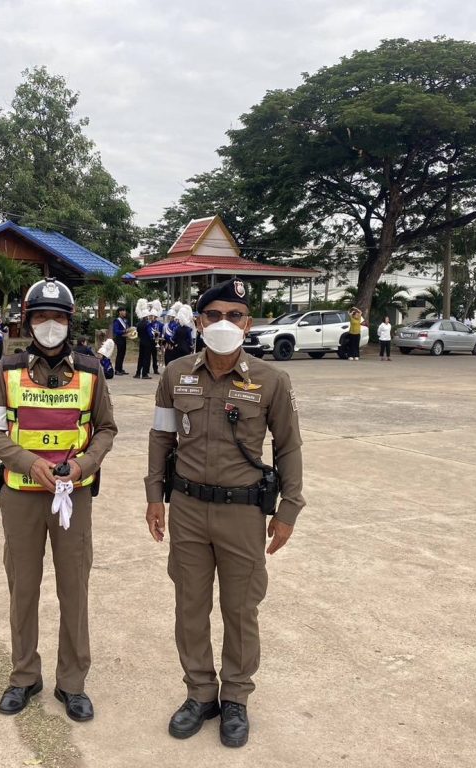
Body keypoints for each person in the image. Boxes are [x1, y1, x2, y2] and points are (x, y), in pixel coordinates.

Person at [144, 277, 304, 749]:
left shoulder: (271, 380)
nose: (224, 323)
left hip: (243, 512)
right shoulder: (175, 374)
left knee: (240, 609)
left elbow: (288, 447)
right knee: (190, 606)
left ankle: (235, 696)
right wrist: (154, 496)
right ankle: (199, 693)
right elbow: (161, 436)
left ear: (248, 324)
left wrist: (289, 508)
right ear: (199, 322)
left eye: (234, 316)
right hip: (188, 509)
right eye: (214, 315)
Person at [0, 277, 117, 723]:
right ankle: (24, 676)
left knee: (74, 588)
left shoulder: (92, 371)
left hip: (73, 497)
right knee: (23, 588)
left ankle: (72, 683)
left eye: (58, 317)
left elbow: (106, 429)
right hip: (20, 497)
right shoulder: (6, 370)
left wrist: (85, 464)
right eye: (41, 316)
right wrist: (27, 461)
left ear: (70, 322)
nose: (50, 324)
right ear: (28, 321)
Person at [134, 298, 156, 379]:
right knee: (146, 358)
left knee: (140, 358)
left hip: (141, 342)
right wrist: (154, 336)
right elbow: (150, 334)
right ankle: (144, 374)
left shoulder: (139, 324)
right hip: (147, 343)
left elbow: (138, 333)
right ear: (146, 316)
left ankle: (137, 373)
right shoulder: (148, 324)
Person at [112, 308, 130, 375]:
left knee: (123, 354)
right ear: (120, 312)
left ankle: (120, 369)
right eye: (123, 311)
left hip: (124, 338)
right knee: (119, 354)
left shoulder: (125, 320)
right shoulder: (117, 321)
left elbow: (127, 328)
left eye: (125, 311)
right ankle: (117, 370)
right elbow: (116, 331)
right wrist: (124, 331)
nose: (125, 312)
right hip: (119, 339)